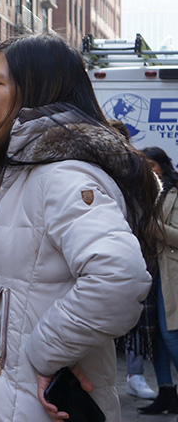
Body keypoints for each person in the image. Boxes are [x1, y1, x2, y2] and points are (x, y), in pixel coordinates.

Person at [0, 33, 160, 422]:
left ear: (36, 89)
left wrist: (45, 353)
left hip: (31, 405)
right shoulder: (10, 169)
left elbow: (119, 276)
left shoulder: (62, 175)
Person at [107, 119, 159, 401]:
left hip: (135, 249)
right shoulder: (93, 167)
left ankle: (135, 375)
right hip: (105, 249)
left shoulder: (136, 169)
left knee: (137, 318)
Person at [137, 146, 178, 415]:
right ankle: (166, 394)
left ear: (163, 166)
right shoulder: (141, 195)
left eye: (151, 165)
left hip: (169, 273)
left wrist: (150, 224)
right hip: (147, 272)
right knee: (156, 341)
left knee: (170, 336)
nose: (148, 171)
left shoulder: (174, 193)